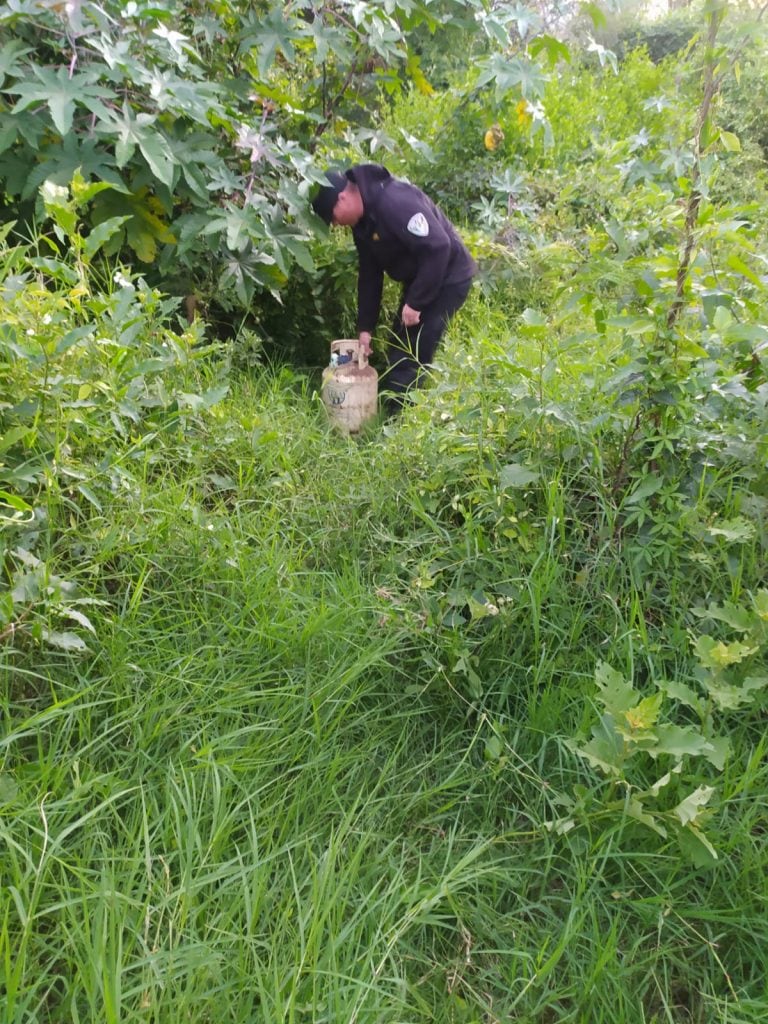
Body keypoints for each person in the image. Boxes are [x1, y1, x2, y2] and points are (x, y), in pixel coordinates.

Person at [312, 164, 477, 412]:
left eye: (333, 217)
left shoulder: (394, 202)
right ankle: (391, 411)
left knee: (411, 352)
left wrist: (416, 303)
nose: (335, 224)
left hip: (448, 277)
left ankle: (397, 424)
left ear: (342, 197)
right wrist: (365, 329)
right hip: (421, 277)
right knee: (399, 344)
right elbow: (370, 275)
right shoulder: (363, 222)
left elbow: (439, 247)